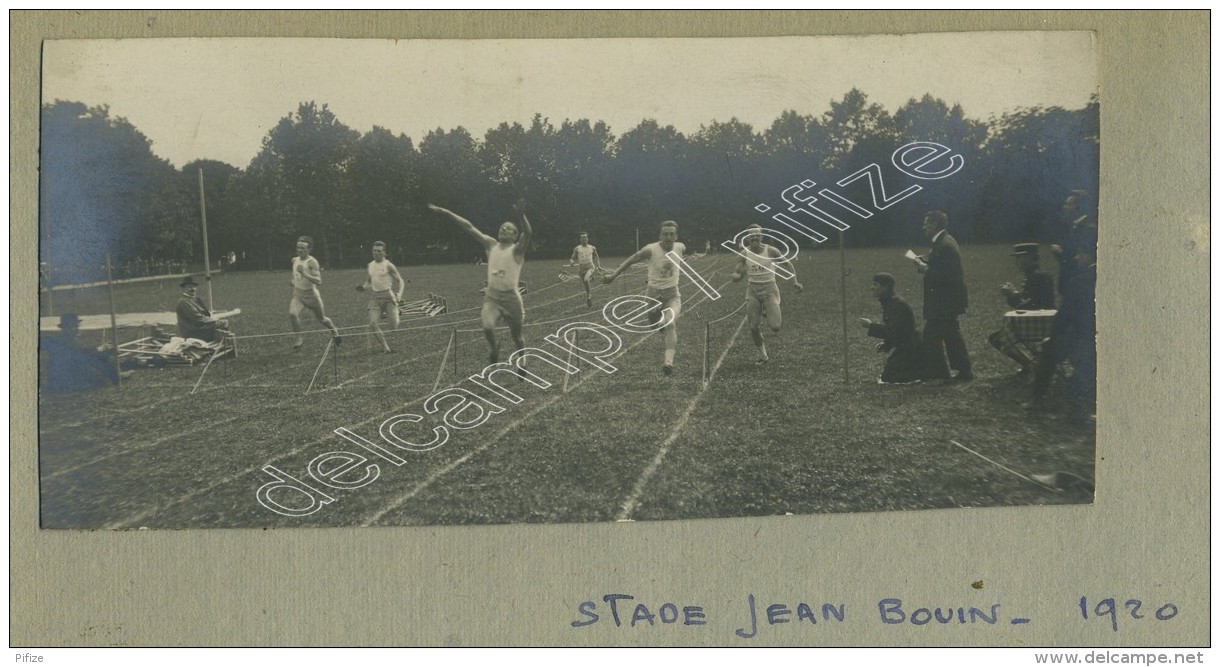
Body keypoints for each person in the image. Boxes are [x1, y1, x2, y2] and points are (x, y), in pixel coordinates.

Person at [429, 201, 533, 363]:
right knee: (487, 326)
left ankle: (523, 359)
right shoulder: (491, 244)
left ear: (514, 236)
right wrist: (446, 212)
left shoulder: (517, 250)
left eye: (509, 228)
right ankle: (494, 349)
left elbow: (528, 232)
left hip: (512, 298)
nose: (503, 229)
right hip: (492, 296)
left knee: (517, 336)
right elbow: (469, 227)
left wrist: (521, 215)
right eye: (502, 227)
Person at [1027, 228, 1096, 419]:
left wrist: (1051, 336)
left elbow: (1064, 317)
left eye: (1080, 254)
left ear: (1088, 256)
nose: (1077, 258)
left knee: (1050, 351)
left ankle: (1038, 398)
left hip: (1083, 337)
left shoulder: (1079, 282)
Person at [603, 220, 686, 376]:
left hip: (672, 296)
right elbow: (631, 259)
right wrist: (614, 275)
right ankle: (660, 323)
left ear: (676, 236)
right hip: (653, 297)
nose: (668, 237)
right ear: (660, 235)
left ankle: (668, 362)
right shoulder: (651, 250)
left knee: (670, 322)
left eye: (671, 234)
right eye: (665, 234)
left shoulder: (680, 247)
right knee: (655, 325)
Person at [913, 210, 972, 381]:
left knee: (934, 337)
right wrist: (926, 262)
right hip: (946, 301)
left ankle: (944, 372)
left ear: (934, 224)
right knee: (949, 335)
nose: (923, 227)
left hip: (945, 301)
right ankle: (957, 371)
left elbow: (948, 276)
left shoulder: (944, 244)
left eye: (926, 223)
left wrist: (926, 269)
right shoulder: (944, 241)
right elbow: (942, 267)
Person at [730, 224, 802, 363]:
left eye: (757, 236)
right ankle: (764, 356)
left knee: (775, 327)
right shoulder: (745, 254)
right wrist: (736, 277)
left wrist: (795, 282)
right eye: (752, 237)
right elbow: (738, 271)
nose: (755, 239)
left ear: (761, 237)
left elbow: (788, 264)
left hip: (769, 289)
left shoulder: (771, 251)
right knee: (753, 326)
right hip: (753, 291)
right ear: (748, 238)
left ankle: (767, 308)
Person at [987, 243, 1056, 370]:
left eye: (1020, 258)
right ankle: (1031, 364)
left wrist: (1012, 295)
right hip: (1043, 322)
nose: (1017, 262)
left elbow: (1029, 307)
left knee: (998, 338)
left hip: (1040, 324)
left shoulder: (1037, 277)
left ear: (1030, 257)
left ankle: (1029, 365)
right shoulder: (1037, 275)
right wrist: (1014, 295)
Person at [858, 273, 924, 384]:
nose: (871, 287)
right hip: (907, 345)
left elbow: (895, 332)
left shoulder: (896, 305)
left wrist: (871, 326)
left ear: (886, 287)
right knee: (889, 375)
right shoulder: (890, 302)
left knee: (891, 377)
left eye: (875, 284)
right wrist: (887, 344)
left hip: (912, 347)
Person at [41, 313, 121, 393]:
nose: (77, 329)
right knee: (96, 365)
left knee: (96, 366)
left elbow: (84, 353)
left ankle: (115, 376)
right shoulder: (64, 342)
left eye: (77, 326)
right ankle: (115, 378)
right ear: (65, 328)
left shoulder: (65, 340)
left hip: (62, 380)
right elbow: (85, 355)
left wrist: (104, 351)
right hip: (64, 382)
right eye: (73, 327)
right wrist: (102, 350)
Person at [288, 236, 341, 350]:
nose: (300, 250)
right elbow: (295, 275)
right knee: (292, 313)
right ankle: (299, 338)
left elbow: (318, 281)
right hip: (298, 295)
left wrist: (304, 273)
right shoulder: (294, 260)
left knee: (322, 319)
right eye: (298, 247)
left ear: (309, 249)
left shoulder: (312, 262)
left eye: (303, 248)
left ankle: (334, 331)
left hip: (312, 296)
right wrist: (293, 281)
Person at [356, 241, 404, 354]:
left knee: (393, 327)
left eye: (379, 251)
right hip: (375, 297)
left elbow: (400, 281)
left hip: (388, 296)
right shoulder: (370, 265)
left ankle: (395, 310)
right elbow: (368, 282)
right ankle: (385, 347)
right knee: (372, 324)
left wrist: (400, 294)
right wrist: (363, 287)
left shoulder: (388, 265)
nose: (376, 253)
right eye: (374, 250)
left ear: (384, 253)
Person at [175, 276, 231, 343]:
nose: (192, 289)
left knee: (221, 323)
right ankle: (223, 345)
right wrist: (213, 320)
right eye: (189, 287)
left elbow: (203, 314)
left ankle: (218, 342)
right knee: (224, 323)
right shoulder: (183, 302)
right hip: (192, 332)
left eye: (194, 287)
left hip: (197, 328)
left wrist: (211, 319)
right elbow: (197, 319)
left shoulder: (192, 299)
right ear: (183, 289)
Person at [569, 232, 602, 308]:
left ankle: (589, 296)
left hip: (590, 266)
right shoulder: (577, 248)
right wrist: (571, 262)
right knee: (586, 285)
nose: (583, 239)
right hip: (581, 268)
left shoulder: (592, 247)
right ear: (580, 239)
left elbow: (596, 256)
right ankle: (588, 296)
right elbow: (572, 258)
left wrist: (599, 265)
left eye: (585, 237)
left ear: (587, 238)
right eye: (582, 237)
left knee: (586, 279)